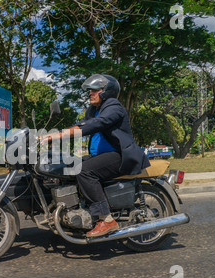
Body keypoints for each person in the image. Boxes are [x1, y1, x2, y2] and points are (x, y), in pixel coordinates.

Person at [41, 74, 150, 238]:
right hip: (105, 155)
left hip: (120, 155)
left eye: (94, 90)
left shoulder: (114, 107)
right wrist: (56, 137)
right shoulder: (94, 110)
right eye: (89, 90)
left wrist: (59, 135)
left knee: (84, 170)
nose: (90, 93)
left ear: (106, 91)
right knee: (68, 166)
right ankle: (77, 209)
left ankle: (105, 219)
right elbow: (81, 126)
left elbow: (95, 124)